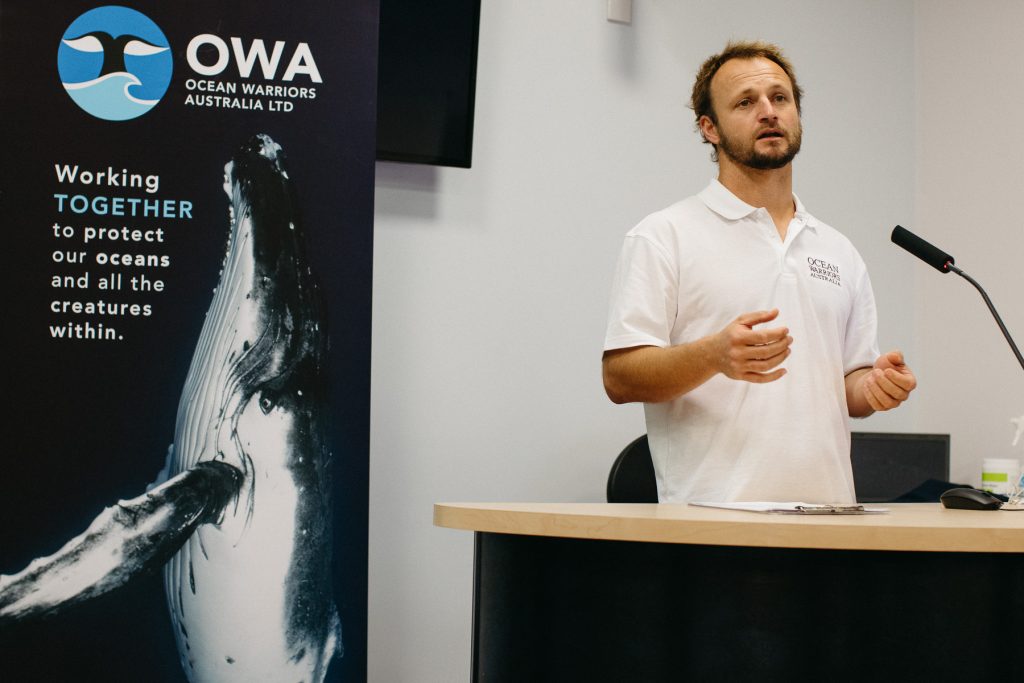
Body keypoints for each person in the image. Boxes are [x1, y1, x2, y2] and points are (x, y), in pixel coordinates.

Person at [602, 40, 917, 504]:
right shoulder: (664, 235)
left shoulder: (839, 250)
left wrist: (874, 388)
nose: (768, 112)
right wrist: (713, 355)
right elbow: (620, 377)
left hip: (831, 524)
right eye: (746, 102)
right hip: (714, 526)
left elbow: (848, 388)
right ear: (709, 128)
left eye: (780, 98)